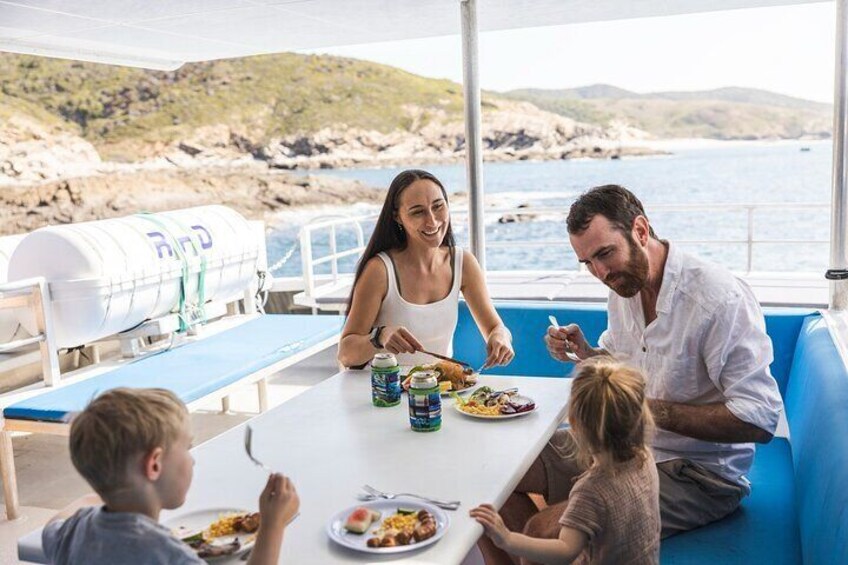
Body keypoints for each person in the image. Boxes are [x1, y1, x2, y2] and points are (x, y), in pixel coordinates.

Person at [490, 185, 783, 561]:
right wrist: (588, 354)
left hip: (698, 474)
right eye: (587, 263)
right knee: (502, 470)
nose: (599, 272)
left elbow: (759, 419)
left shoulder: (718, 300)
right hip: (619, 446)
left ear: (641, 231)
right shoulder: (623, 284)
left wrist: (639, 409)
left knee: (542, 530)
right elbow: (621, 360)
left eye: (604, 254)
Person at [42, 388, 299, 565]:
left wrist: (104, 490)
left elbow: (52, 525)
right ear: (154, 465)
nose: (193, 459)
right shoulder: (165, 554)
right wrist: (272, 525)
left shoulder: (74, 532)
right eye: (187, 448)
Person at [471, 357, 660, 565]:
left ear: (574, 424)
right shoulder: (645, 457)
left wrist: (507, 538)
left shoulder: (591, 491)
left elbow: (564, 550)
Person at [338, 169, 513, 368]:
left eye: (438, 206)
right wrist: (380, 336)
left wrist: (500, 337)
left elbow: (495, 327)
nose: (432, 221)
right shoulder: (380, 270)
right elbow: (346, 354)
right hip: (385, 393)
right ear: (397, 217)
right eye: (418, 212)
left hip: (438, 391)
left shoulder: (463, 263)